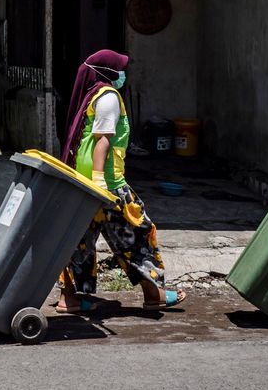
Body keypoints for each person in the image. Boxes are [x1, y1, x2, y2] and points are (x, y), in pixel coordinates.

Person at [56, 49, 185, 314]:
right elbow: (103, 139)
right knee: (139, 233)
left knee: (78, 240)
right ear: (109, 72)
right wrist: (101, 180)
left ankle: (68, 298)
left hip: (83, 184)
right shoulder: (108, 97)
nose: (123, 75)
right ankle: (154, 294)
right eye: (120, 69)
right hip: (109, 186)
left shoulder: (90, 96)